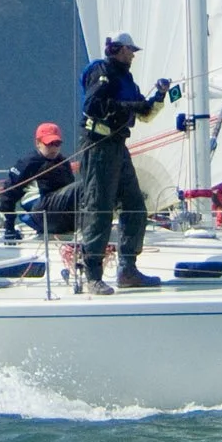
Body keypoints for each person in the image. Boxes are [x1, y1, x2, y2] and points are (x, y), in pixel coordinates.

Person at [77, 32, 170, 295]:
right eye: (130, 50)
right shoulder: (101, 72)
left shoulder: (126, 78)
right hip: (98, 147)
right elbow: (94, 106)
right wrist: (130, 105)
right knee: (99, 208)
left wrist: (160, 96)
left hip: (118, 147)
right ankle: (92, 275)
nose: (133, 55)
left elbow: (145, 114)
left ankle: (127, 268)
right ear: (118, 50)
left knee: (135, 206)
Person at [0, 122, 78, 242]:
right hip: (41, 211)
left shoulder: (63, 162)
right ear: (38, 143)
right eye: (49, 144)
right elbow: (8, 194)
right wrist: (9, 227)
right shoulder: (29, 163)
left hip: (61, 212)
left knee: (89, 188)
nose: (54, 148)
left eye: (57, 143)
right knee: (80, 188)